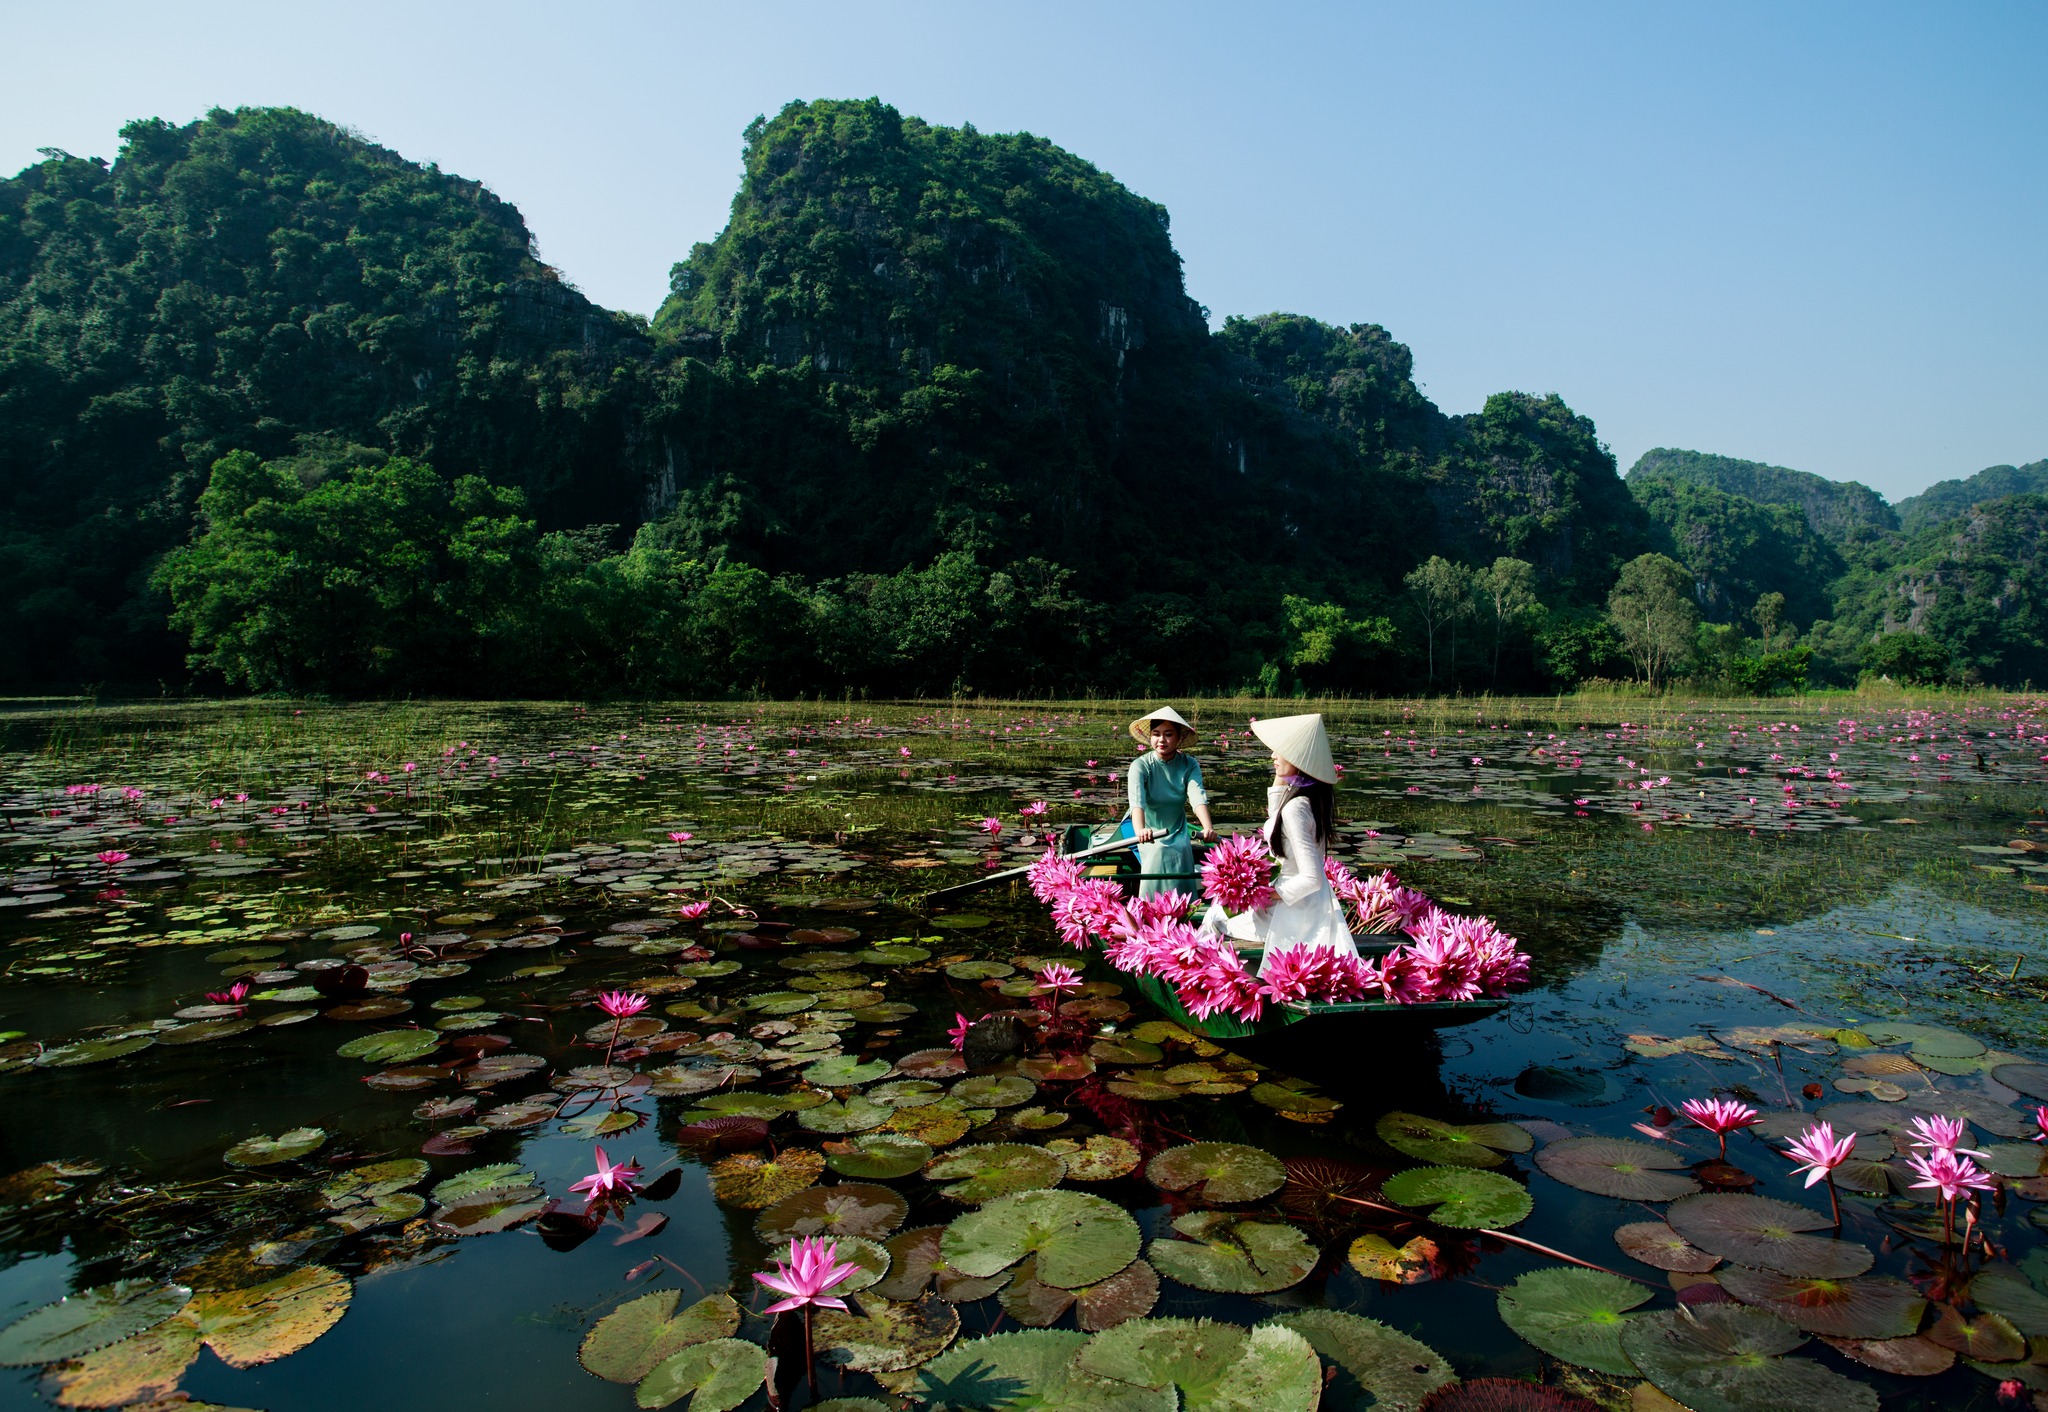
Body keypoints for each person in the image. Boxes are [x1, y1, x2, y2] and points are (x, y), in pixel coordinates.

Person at [1200, 712, 1355, 972]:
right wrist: (1282, 773)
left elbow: (1312, 878)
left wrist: (1263, 894)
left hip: (1294, 913)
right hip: (1305, 905)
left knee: (1215, 915)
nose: (1272, 756)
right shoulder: (1309, 799)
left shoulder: (1295, 809)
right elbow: (1274, 817)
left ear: (1297, 759)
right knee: (1218, 909)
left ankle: (1207, 975)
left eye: (1280, 752)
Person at [1125, 706, 1216, 898]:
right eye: (1156, 734)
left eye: (1168, 734)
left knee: (1182, 849)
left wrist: (1208, 827)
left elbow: (1197, 797)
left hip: (1177, 827)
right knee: (1158, 850)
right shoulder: (1140, 766)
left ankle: (1184, 907)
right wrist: (1141, 830)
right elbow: (1137, 802)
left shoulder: (1190, 764)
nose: (1161, 740)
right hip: (1144, 826)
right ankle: (1150, 907)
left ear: (1178, 738)